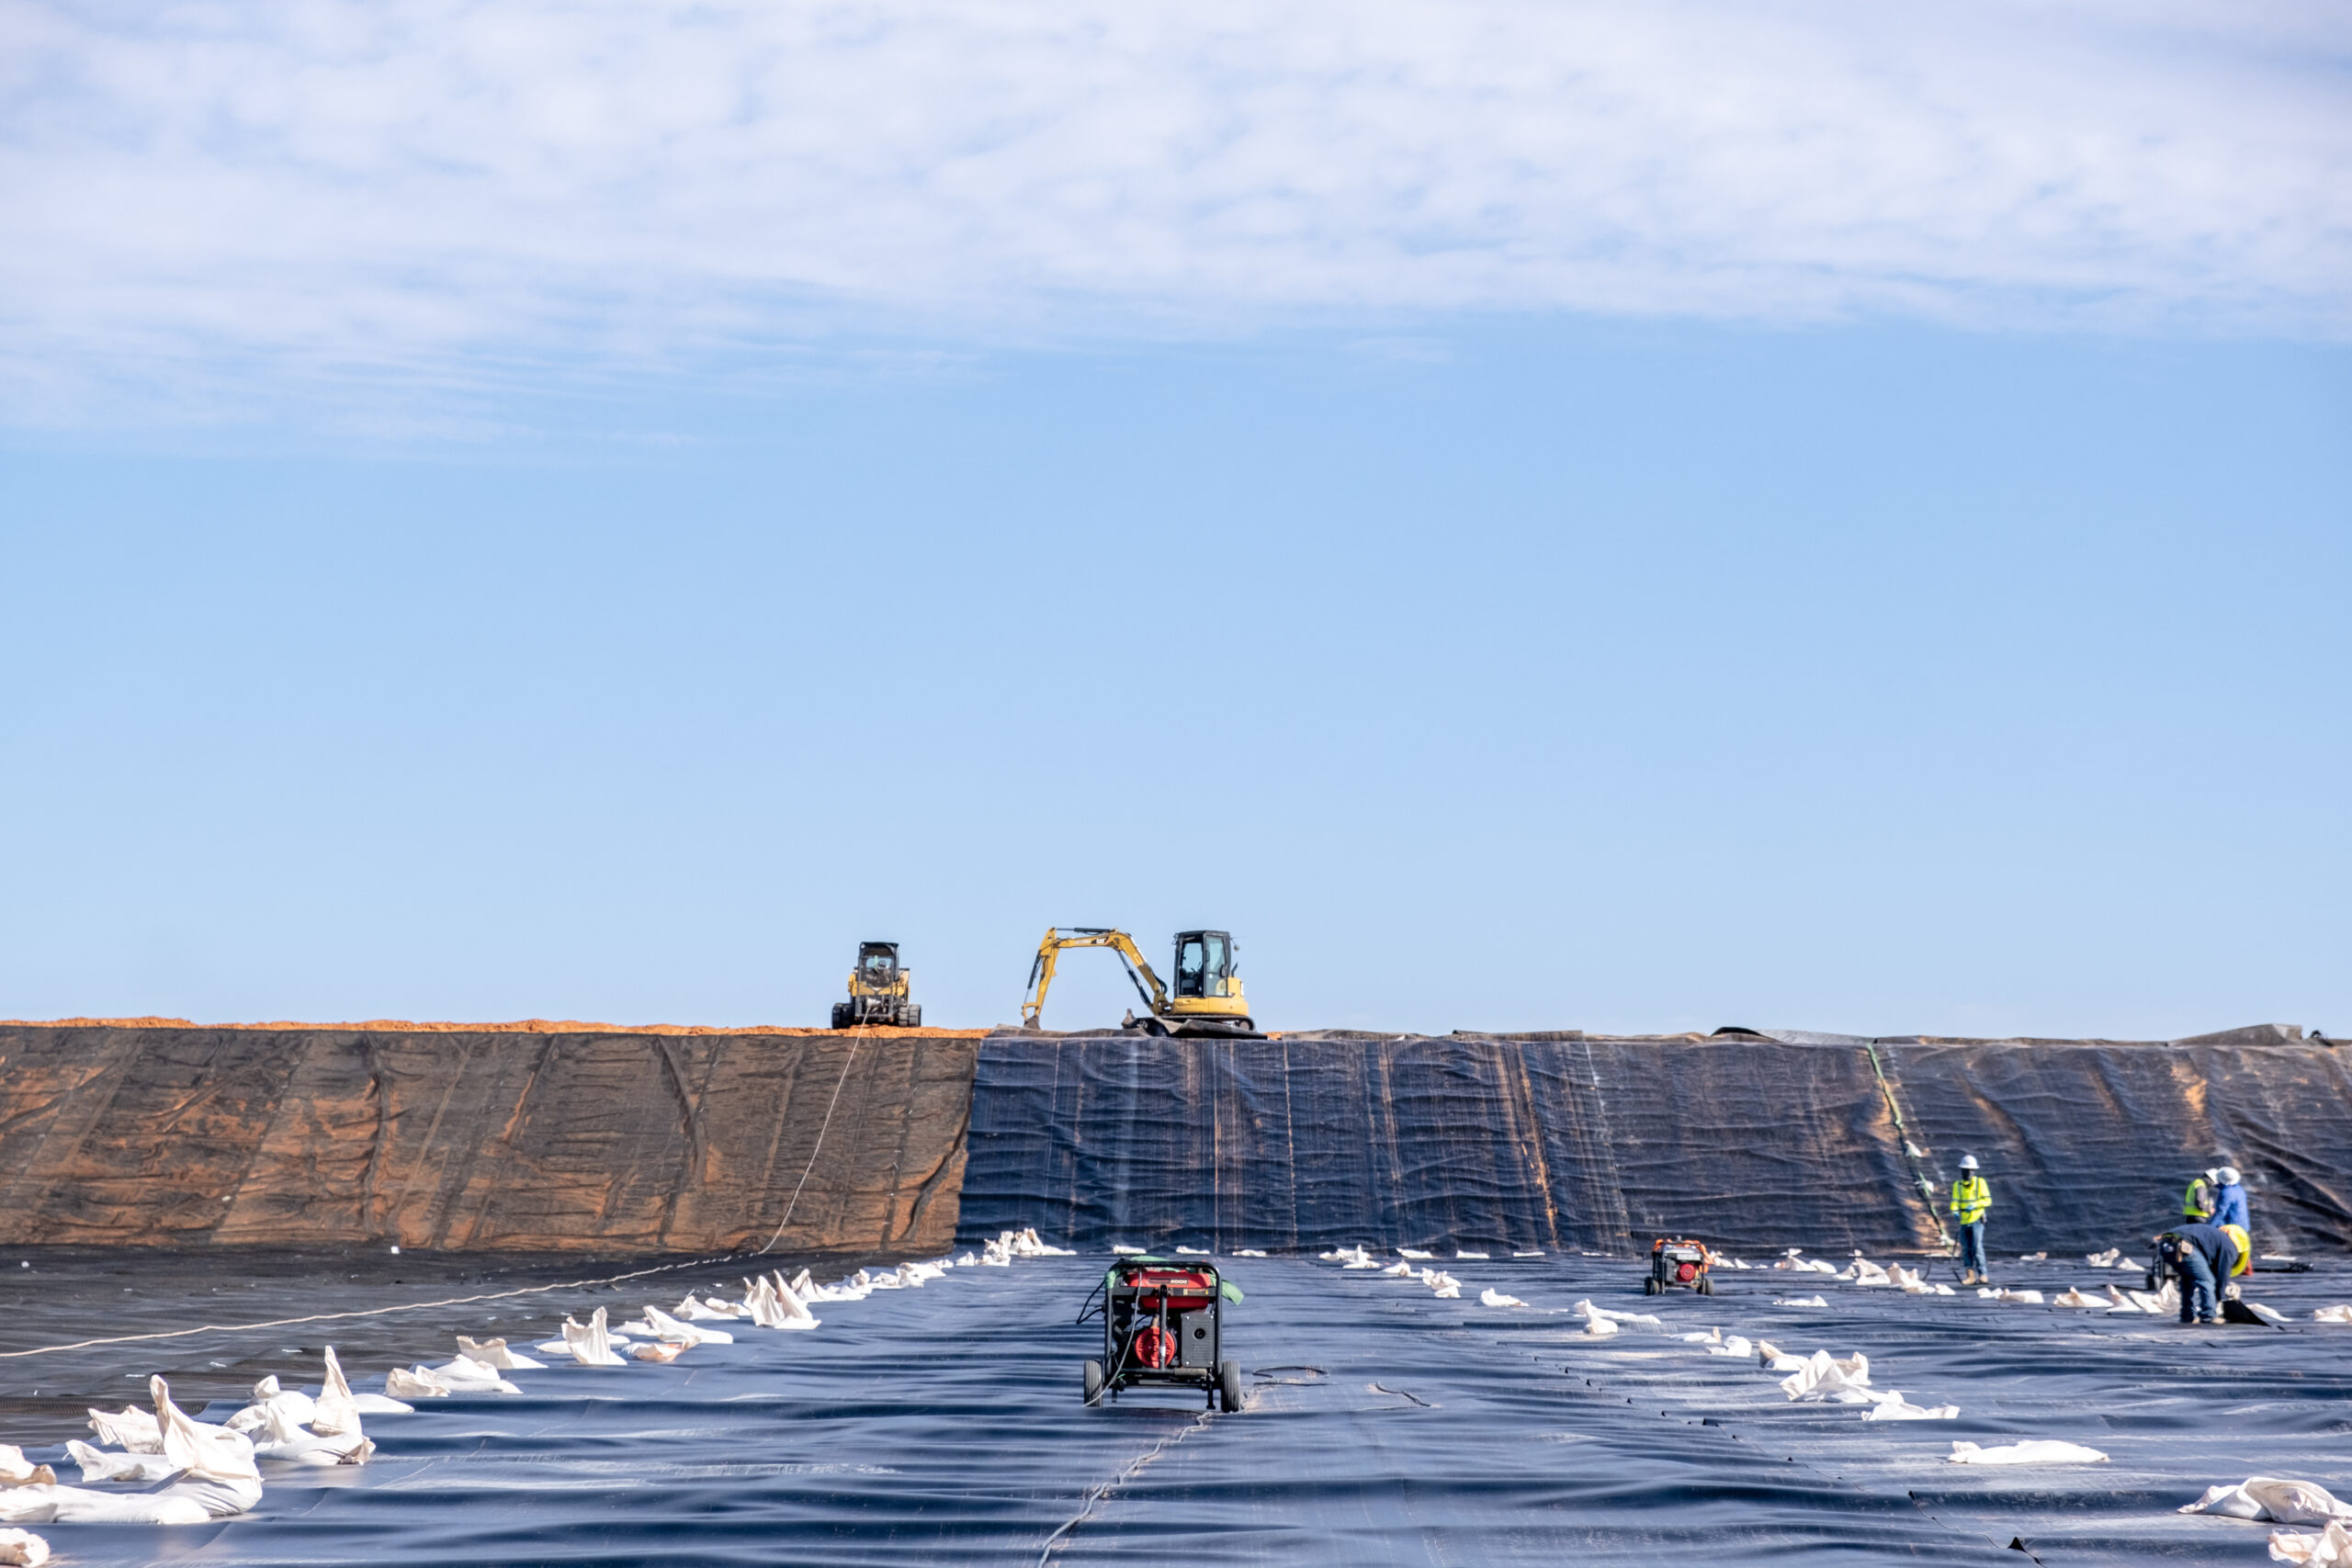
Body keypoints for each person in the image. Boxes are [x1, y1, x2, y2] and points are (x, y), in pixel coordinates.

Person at [2154, 1222, 2241, 1325]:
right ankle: (2208, 1316)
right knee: (2207, 1280)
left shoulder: (2215, 1239)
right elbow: (2223, 1275)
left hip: (2165, 1245)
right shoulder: (2230, 1248)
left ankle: (2187, 1316)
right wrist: (2221, 1297)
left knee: (2188, 1280)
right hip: (2183, 1246)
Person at [1950, 1155, 1991, 1286]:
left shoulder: (1980, 1183)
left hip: (1977, 1220)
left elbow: (1987, 1200)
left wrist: (1975, 1205)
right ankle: (1970, 1276)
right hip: (1964, 1221)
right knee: (1966, 1248)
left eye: (1971, 1170)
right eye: (1966, 1170)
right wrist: (1955, 1211)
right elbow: (1955, 1201)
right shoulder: (1958, 1185)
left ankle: (1983, 1274)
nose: (1968, 1173)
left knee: (1976, 1247)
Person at [2213, 1167, 2249, 1233]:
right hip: (2242, 1226)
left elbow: (2220, 1212)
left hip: (2232, 1228)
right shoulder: (2238, 1189)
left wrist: (2209, 1227)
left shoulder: (2227, 1192)